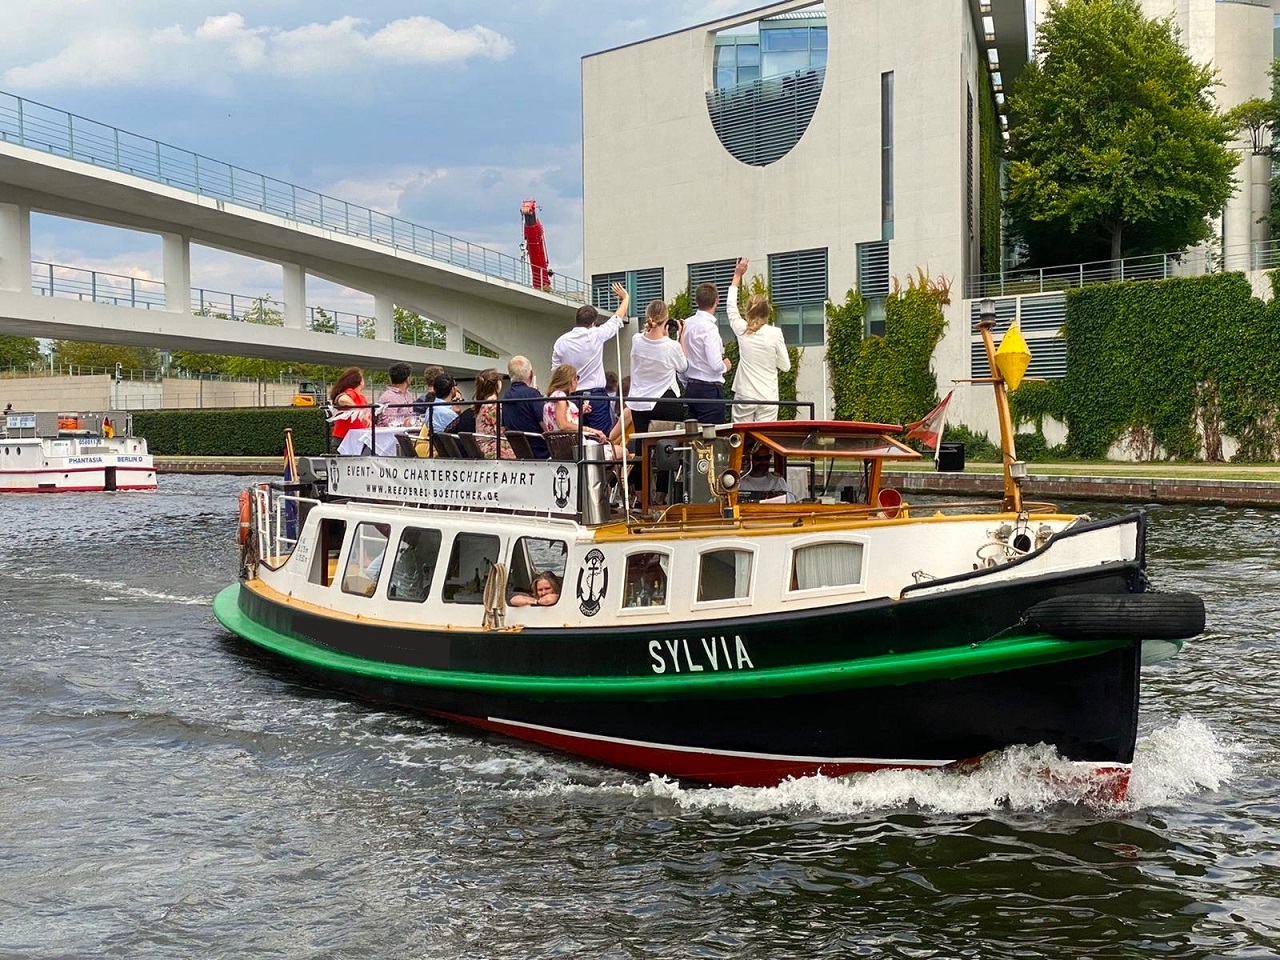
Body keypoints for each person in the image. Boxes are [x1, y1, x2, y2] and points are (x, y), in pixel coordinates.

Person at [551, 281, 630, 434]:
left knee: (574, 437)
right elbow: (617, 318)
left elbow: (555, 372)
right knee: (600, 438)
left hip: (572, 396)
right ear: (593, 323)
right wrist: (625, 298)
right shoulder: (596, 334)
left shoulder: (561, 342)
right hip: (596, 396)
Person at [727, 258, 791, 423]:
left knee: (740, 438)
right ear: (767, 312)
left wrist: (737, 276)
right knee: (764, 438)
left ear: (748, 311)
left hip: (745, 393)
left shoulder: (743, 329)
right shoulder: (775, 333)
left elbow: (731, 308)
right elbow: (786, 366)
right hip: (768, 395)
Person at [623, 299, 689, 434]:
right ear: (667, 319)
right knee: (669, 447)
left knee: (642, 446)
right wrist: (680, 337)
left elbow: (647, 337)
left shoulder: (636, 340)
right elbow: (683, 367)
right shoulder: (672, 346)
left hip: (639, 402)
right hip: (665, 399)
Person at [542, 363, 623, 458]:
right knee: (623, 452)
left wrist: (578, 412)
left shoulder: (550, 400)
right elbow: (562, 424)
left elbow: (558, 421)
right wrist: (591, 430)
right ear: (572, 380)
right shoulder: (561, 397)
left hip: (562, 450)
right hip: (579, 450)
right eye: (577, 378)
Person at [683, 281, 732, 424]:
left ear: (696, 301)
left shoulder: (686, 324)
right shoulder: (710, 328)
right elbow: (715, 364)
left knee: (692, 433)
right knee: (712, 435)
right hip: (709, 389)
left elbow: (681, 355)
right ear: (717, 300)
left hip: (691, 386)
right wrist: (725, 366)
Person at [502, 356, 548, 458]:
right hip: (540, 451)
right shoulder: (532, 394)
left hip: (519, 451)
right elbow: (546, 426)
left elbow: (504, 426)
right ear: (531, 374)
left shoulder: (506, 396)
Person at [471, 368, 514, 459]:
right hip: (494, 449)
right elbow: (500, 430)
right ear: (497, 384)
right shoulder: (494, 406)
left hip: (483, 448)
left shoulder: (481, 404)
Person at [328, 367, 371, 441]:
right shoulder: (351, 392)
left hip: (358, 437)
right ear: (359, 381)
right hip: (345, 438)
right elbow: (342, 399)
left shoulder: (362, 397)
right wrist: (360, 414)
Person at [376, 362, 417, 427]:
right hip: (392, 435)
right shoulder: (389, 397)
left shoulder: (409, 395)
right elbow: (387, 422)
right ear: (407, 379)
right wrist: (405, 423)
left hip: (408, 433)